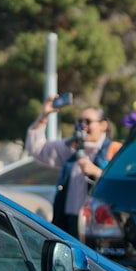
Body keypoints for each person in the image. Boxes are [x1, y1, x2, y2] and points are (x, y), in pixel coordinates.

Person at [25, 98, 120, 237]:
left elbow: (124, 184)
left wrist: (98, 173)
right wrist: (43, 115)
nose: (83, 126)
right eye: (80, 121)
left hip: (98, 223)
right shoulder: (72, 148)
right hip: (68, 220)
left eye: (88, 121)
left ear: (103, 125)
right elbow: (37, 149)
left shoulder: (114, 150)